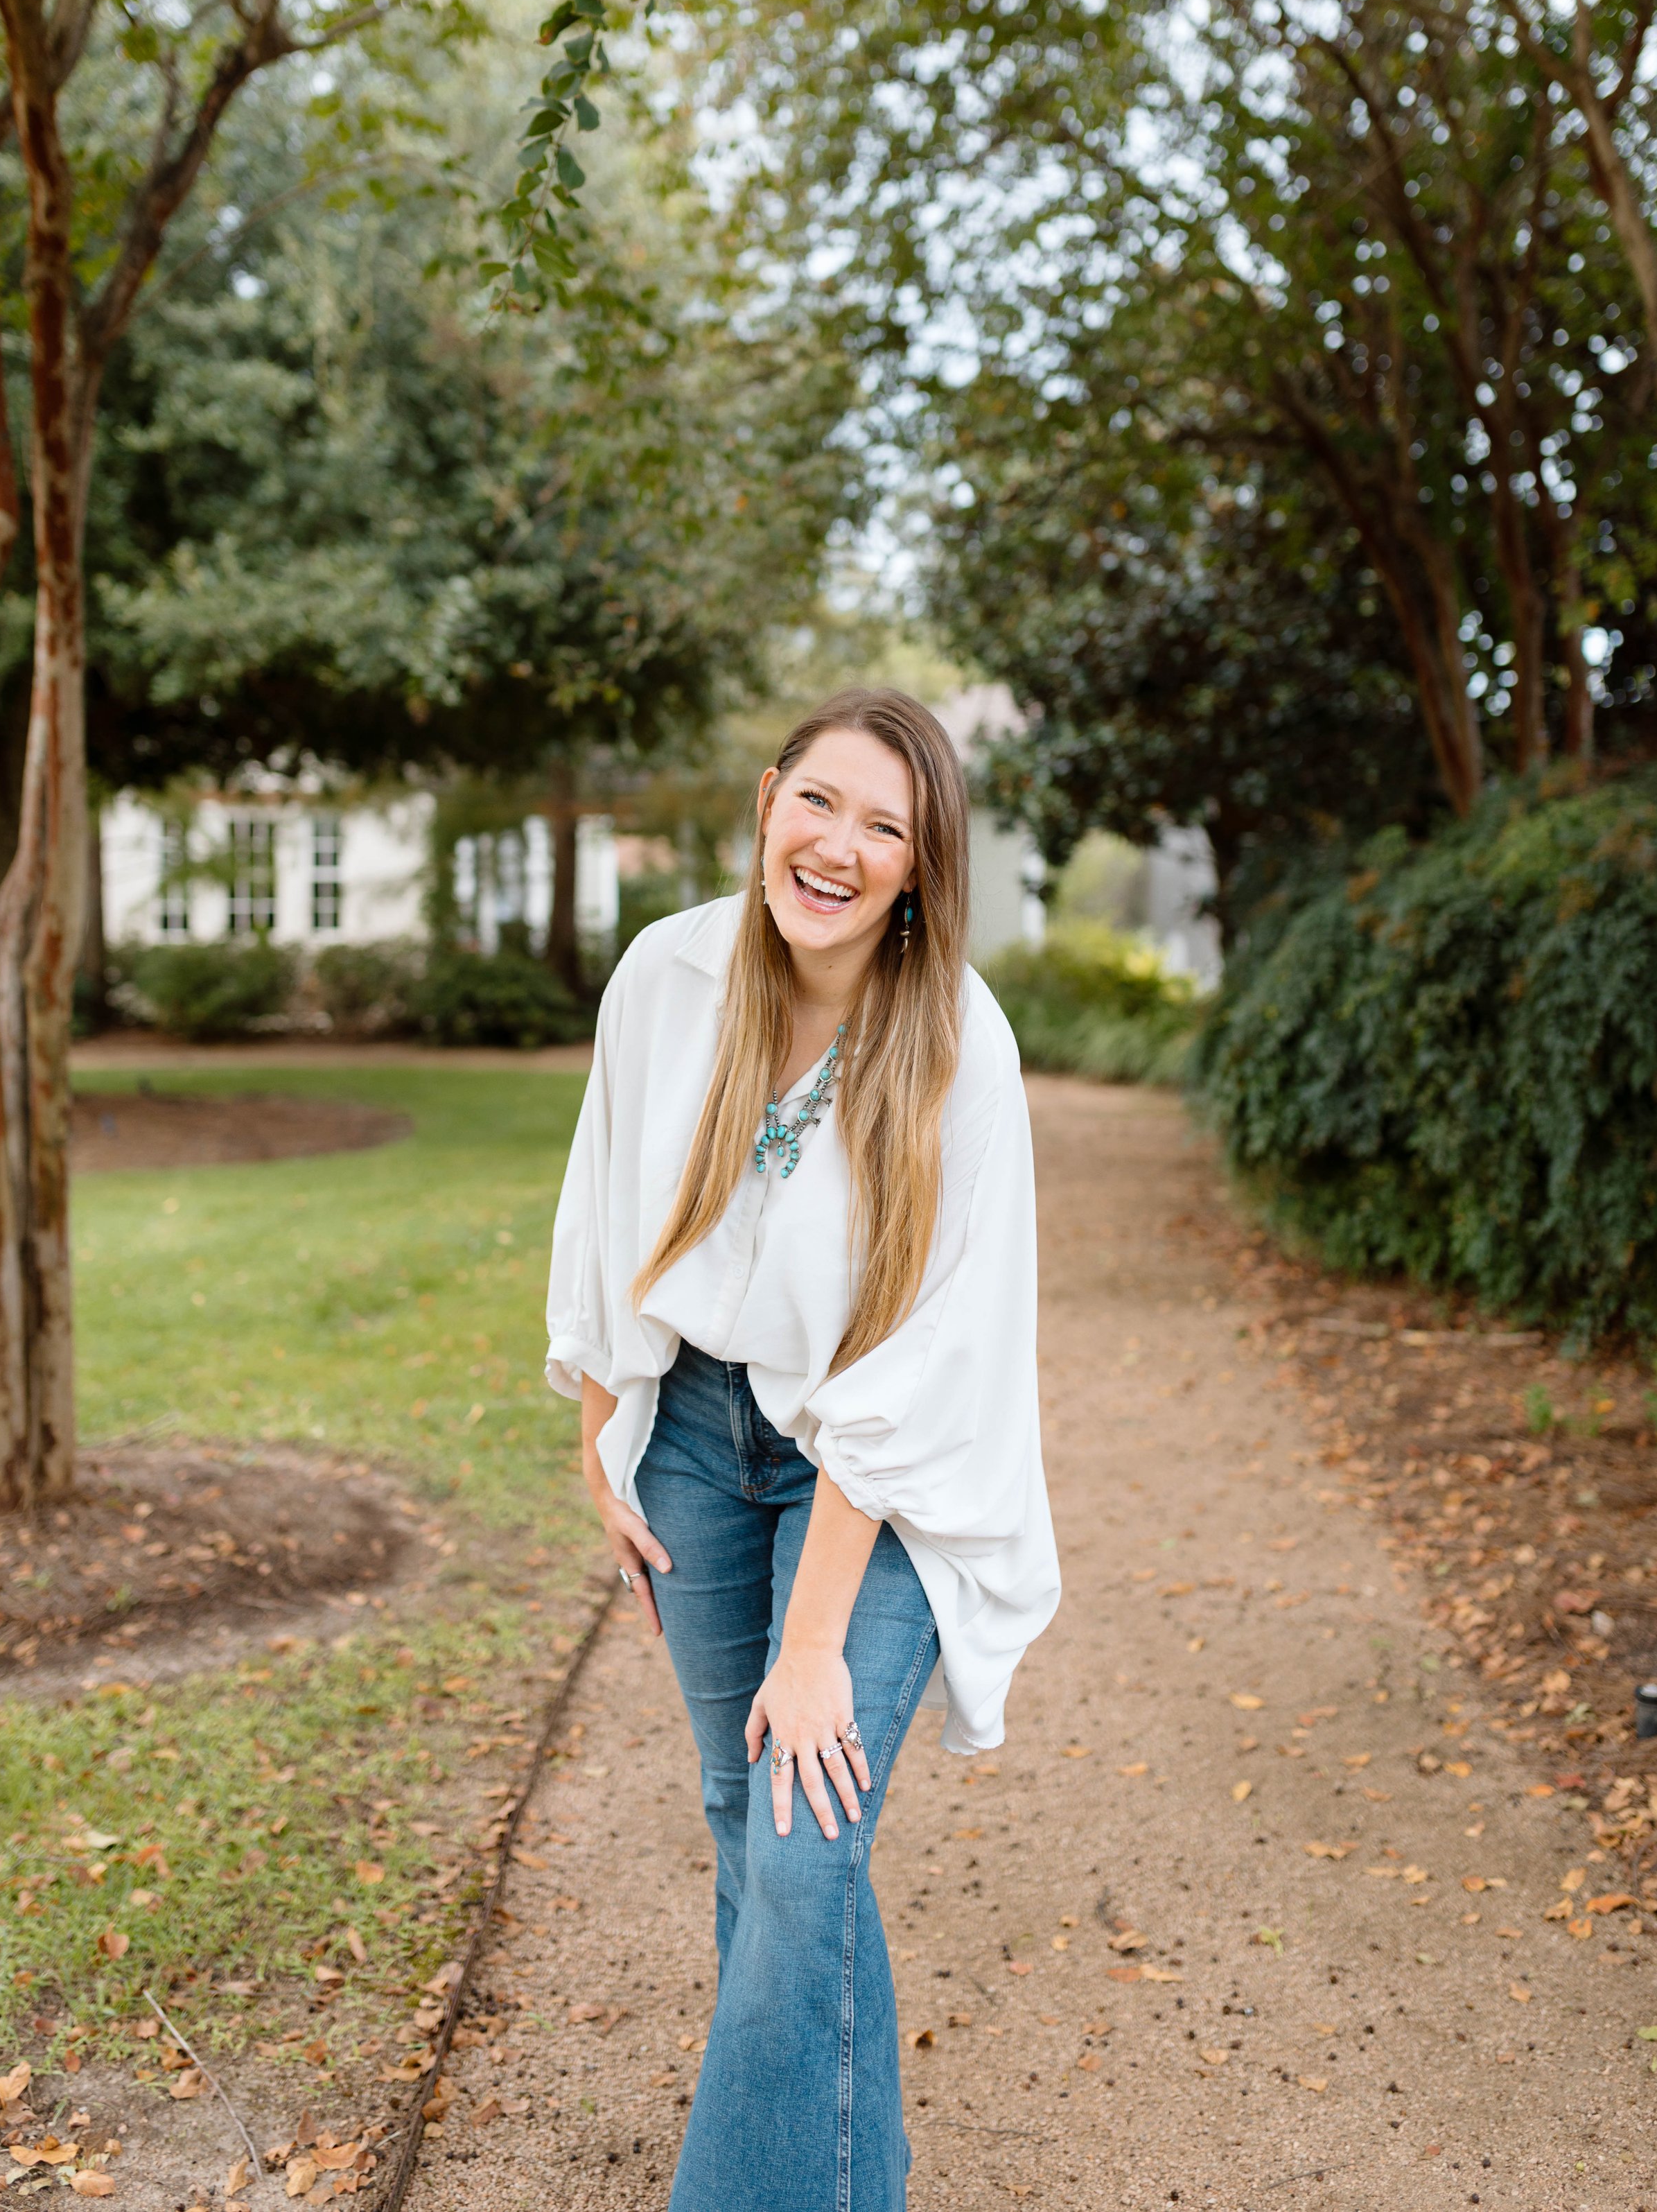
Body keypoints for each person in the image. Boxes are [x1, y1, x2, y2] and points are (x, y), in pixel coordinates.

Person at [545, 687, 1059, 2212]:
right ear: (768, 802)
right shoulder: (669, 972)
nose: (837, 848)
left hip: (874, 1480)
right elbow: (604, 1187)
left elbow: (917, 1359)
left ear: (918, 869)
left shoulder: (958, 1044)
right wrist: (602, 1426)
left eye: (884, 828)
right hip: (695, 1439)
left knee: (799, 1840)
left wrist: (817, 1635)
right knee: (748, 1826)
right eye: (817, 804)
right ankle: (848, 2167)